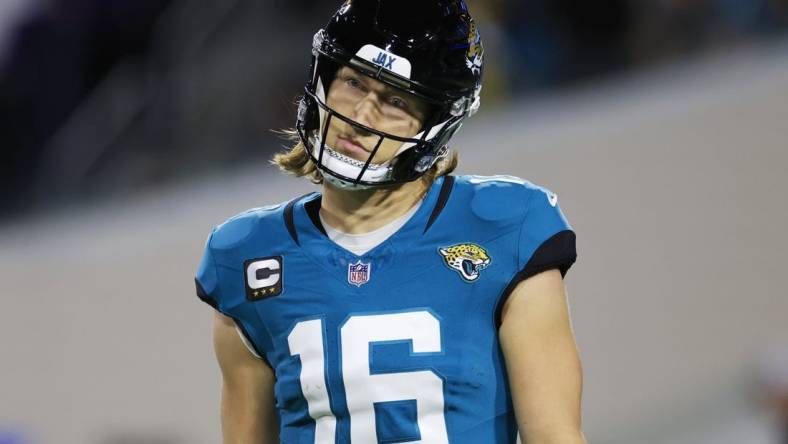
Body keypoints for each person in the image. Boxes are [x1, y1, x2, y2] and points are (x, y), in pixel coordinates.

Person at [194, 0, 586, 442]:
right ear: (322, 78)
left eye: (396, 100)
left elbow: (554, 436)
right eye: (353, 82)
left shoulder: (508, 228)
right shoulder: (246, 255)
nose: (361, 116)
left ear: (436, 122)